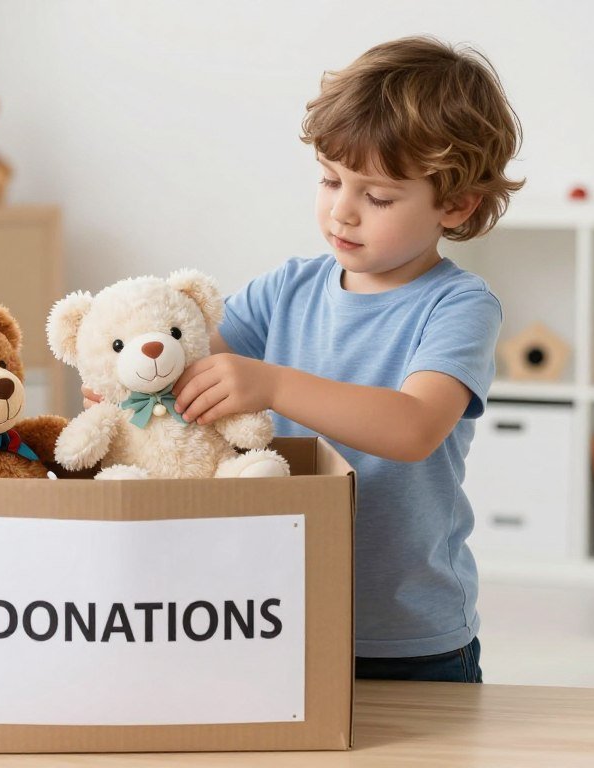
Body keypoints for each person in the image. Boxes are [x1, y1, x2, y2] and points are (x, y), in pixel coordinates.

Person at [87, 35, 523, 682]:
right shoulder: (287, 287)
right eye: (329, 180)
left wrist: (272, 385)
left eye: (377, 197)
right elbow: (190, 371)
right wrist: (129, 394)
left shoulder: (458, 306)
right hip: (273, 605)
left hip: (406, 632)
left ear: (455, 205)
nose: (342, 211)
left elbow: (412, 428)